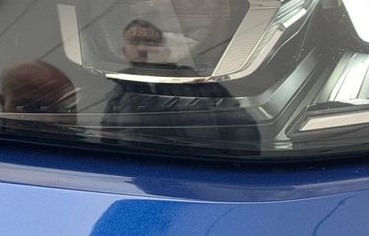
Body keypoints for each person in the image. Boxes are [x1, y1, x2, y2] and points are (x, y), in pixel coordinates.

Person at [102, 20, 259, 151]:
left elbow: (242, 126)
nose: (142, 49)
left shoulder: (197, 83)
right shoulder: (113, 88)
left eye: (150, 42)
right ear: (124, 51)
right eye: (134, 42)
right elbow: (107, 137)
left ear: (165, 50)